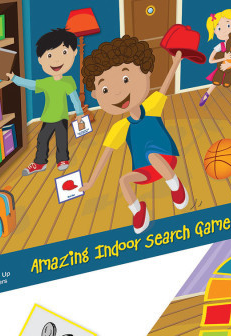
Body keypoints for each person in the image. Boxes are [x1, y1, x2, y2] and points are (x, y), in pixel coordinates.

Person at [80, 35, 189, 234]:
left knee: (153, 155)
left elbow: (165, 84)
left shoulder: (152, 105)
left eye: (125, 79)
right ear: (96, 95)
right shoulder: (119, 128)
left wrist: (175, 63)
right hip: (145, 170)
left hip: (166, 159)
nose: (117, 93)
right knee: (123, 181)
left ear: (145, 73)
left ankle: (176, 187)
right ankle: (139, 211)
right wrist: (91, 182)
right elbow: (105, 156)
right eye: (105, 89)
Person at [10, 28, 83, 175]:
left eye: (64, 53)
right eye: (49, 55)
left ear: (74, 53)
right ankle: (40, 162)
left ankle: (63, 159)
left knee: (61, 140)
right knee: (42, 139)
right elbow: (30, 84)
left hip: (62, 117)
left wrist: (79, 112)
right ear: (40, 59)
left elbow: (74, 98)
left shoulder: (68, 81)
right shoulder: (45, 83)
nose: (56, 60)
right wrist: (14, 78)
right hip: (48, 117)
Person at [199, 7, 231, 107]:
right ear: (215, 32)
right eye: (219, 28)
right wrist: (224, 59)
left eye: (228, 25)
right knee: (215, 82)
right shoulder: (219, 46)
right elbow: (210, 60)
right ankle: (206, 95)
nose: (225, 31)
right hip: (222, 68)